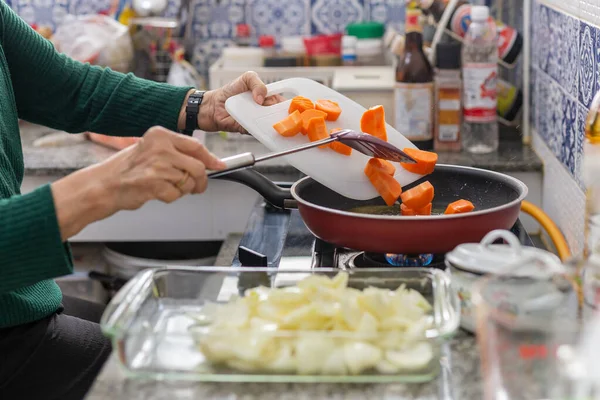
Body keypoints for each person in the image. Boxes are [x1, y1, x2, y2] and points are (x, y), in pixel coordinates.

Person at [0, 3, 281, 399]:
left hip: (18, 300)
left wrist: (201, 106)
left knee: (175, 341)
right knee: (191, 381)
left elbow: (70, 89)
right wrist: (101, 187)